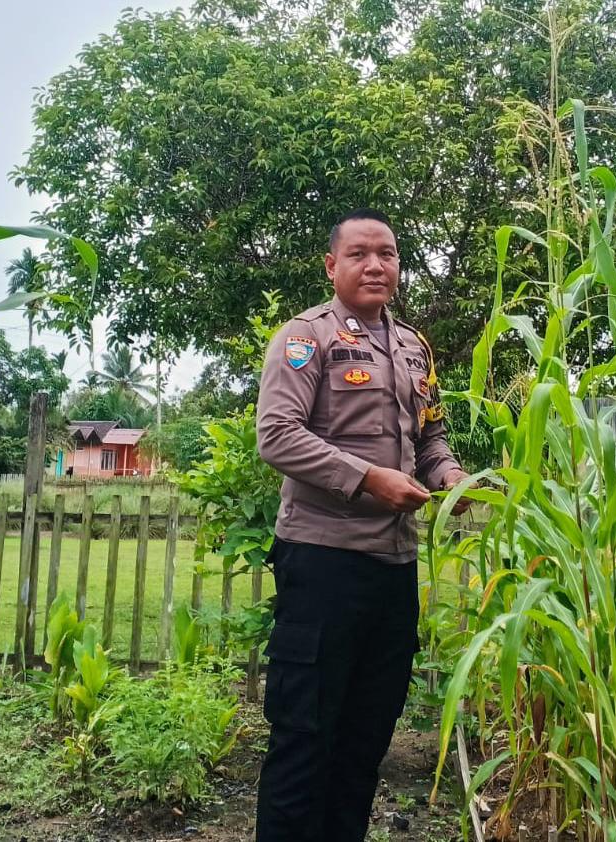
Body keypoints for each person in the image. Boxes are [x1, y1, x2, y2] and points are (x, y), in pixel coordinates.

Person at [254, 208, 469, 841]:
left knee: (366, 737)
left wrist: (451, 476)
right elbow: (277, 435)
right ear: (332, 266)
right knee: (304, 736)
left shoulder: (413, 347)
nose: (375, 265)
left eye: (388, 254)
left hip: (393, 569)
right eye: (359, 254)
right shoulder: (306, 338)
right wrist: (369, 478)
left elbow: (430, 438)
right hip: (323, 562)